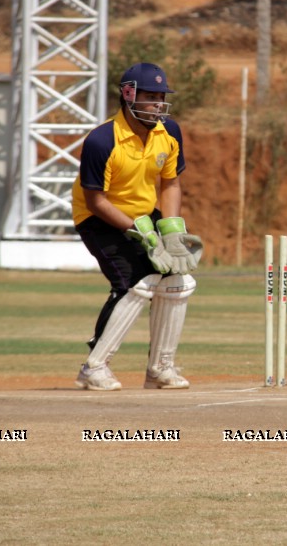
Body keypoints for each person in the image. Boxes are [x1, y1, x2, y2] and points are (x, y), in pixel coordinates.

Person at [71, 62, 203, 391]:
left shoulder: (168, 132)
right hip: (98, 217)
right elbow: (96, 200)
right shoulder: (102, 140)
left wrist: (170, 231)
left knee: (179, 281)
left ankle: (160, 368)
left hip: (145, 213)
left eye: (162, 96)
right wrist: (141, 232)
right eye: (151, 96)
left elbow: (171, 183)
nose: (159, 104)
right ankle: (94, 367)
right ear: (129, 95)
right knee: (136, 283)